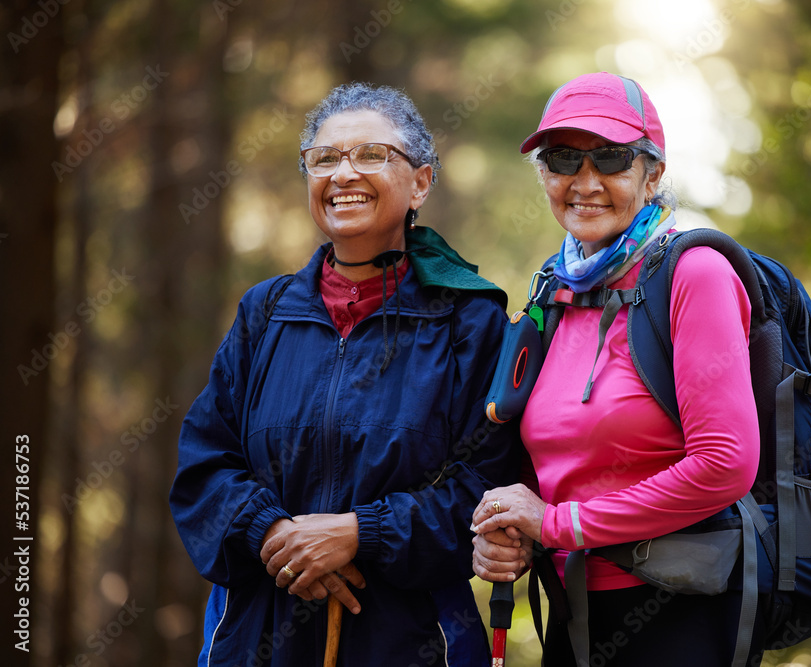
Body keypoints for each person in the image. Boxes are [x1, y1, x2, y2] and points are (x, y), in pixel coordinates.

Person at [170, 82, 519, 667]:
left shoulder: (469, 319)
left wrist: (358, 534)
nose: (343, 174)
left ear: (421, 183)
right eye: (324, 159)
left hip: (412, 640)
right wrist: (277, 537)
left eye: (371, 155)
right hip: (257, 637)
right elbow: (204, 465)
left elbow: (486, 490)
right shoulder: (265, 312)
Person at [470, 72, 765, 665]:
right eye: (563, 159)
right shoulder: (557, 291)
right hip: (573, 610)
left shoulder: (694, 275)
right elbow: (560, 466)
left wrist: (557, 525)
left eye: (610, 158)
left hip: (681, 611)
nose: (586, 182)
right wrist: (512, 531)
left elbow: (726, 463)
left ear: (652, 172)